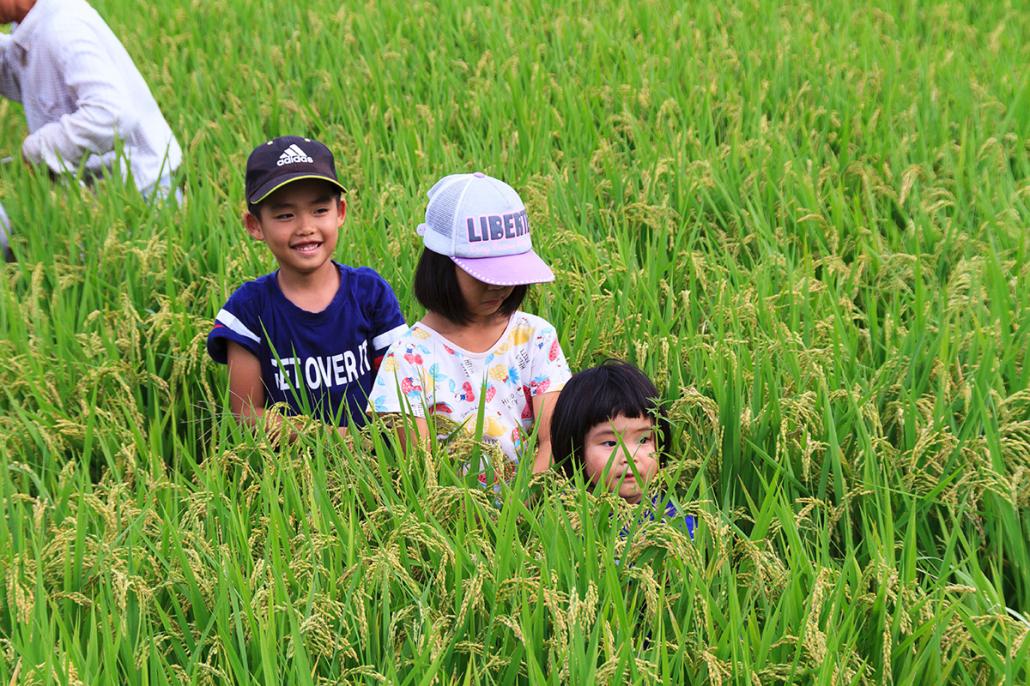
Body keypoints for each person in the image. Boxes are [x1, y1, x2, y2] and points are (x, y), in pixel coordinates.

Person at [368, 172, 571, 474]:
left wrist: (521, 505)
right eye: (484, 276)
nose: (500, 287)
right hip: (453, 514)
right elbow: (422, 470)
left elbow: (556, 438)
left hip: (536, 502)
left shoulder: (535, 337)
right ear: (441, 267)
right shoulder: (407, 359)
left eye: (510, 273)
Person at [206, 136, 407, 436]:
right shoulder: (247, 311)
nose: (305, 227)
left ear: (340, 212)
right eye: (285, 215)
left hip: (373, 463)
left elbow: (402, 392)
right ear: (255, 225)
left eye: (319, 211)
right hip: (287, 469)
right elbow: (246, 412)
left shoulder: (371, 293)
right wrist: (331, 439)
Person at [0, 0, 183, 255]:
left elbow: (111, 114)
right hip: (100, 202)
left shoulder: (63, 27)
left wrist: (37, 149)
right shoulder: (34, 26)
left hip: (138, 202)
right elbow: (23, 75)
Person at [550, 360, 695, 536]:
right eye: (610, 443)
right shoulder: (563, 524)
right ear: (575, 450)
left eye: (643, 440)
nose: (630, 456)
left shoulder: (674, 522)